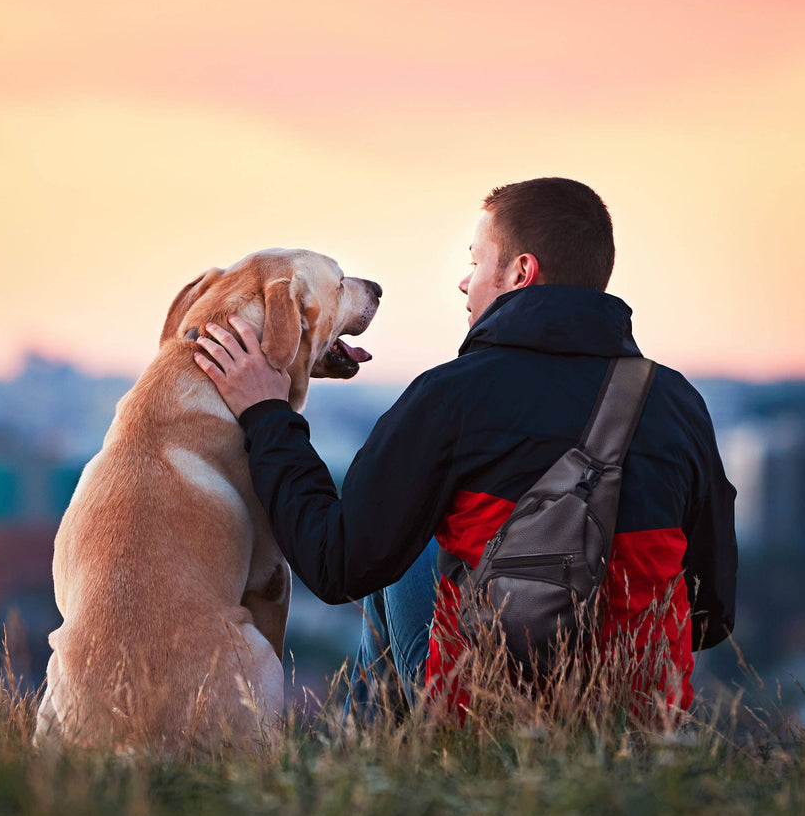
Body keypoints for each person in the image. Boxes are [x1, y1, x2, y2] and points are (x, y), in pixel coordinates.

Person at [192, 177, 737, 719]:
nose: (463, 282)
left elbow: (336, 564)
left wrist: (267, 414)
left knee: (396, 556)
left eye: (476, 261)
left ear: (521, 272)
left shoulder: (453, 395)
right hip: (640, 723)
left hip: (487, 716)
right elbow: (711, 611)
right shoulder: (675, 402)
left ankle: (377, 772)